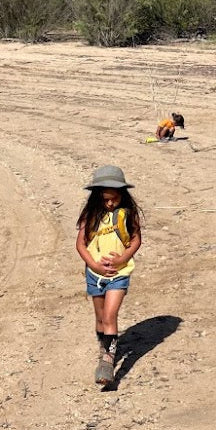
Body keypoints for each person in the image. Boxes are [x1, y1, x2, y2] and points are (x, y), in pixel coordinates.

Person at [76, 165, 143, 387]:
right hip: (95, 275)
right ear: (97, 197)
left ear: (122, 194)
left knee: (110, 315)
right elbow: (81, 244)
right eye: (106, 199)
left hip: (119, 273)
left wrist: (123, 258)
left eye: (114, 198)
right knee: (100, 318)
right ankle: (105, 347)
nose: (111, 203)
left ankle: (107, 362)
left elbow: (135, 240)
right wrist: (94, 264)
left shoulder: (126, 215)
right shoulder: (91, 215)